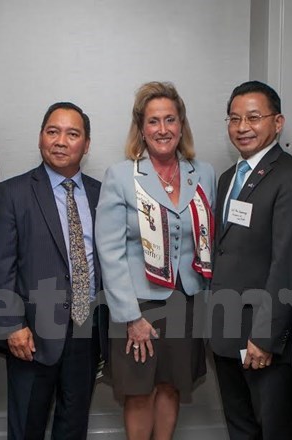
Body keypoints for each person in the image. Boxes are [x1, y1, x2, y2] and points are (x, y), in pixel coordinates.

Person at [96, 81, 216, 440]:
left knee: (171, 386)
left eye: (170, 119)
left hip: (186, 300)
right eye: (153, 121)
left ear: (181, 125)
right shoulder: (121, 176)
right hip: (138, 304)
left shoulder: (203, 173)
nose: (162, 129)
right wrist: (131, 316)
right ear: (141, 128)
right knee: (138, 391)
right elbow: (110, 250)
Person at [0, 102, 105, 439]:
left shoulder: (102, 194)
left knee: (74, 424)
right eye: (52, 131)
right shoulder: (13, 192)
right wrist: (12, 325)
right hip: (32, 335)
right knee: (27, 425)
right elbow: (1, 266)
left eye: (72, 134)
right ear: (41, 137)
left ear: (86, 143)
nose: (60, 141)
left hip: (87, 330)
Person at [209, 80, 292, 439]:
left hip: (263, 338)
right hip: (226, 329)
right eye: (234, 118)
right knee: (240, 428)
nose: (242, 127)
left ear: (279, 122)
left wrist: (266, 336)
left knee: (275, 430)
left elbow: (286, 262)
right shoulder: (228, 179)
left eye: (254, 117)